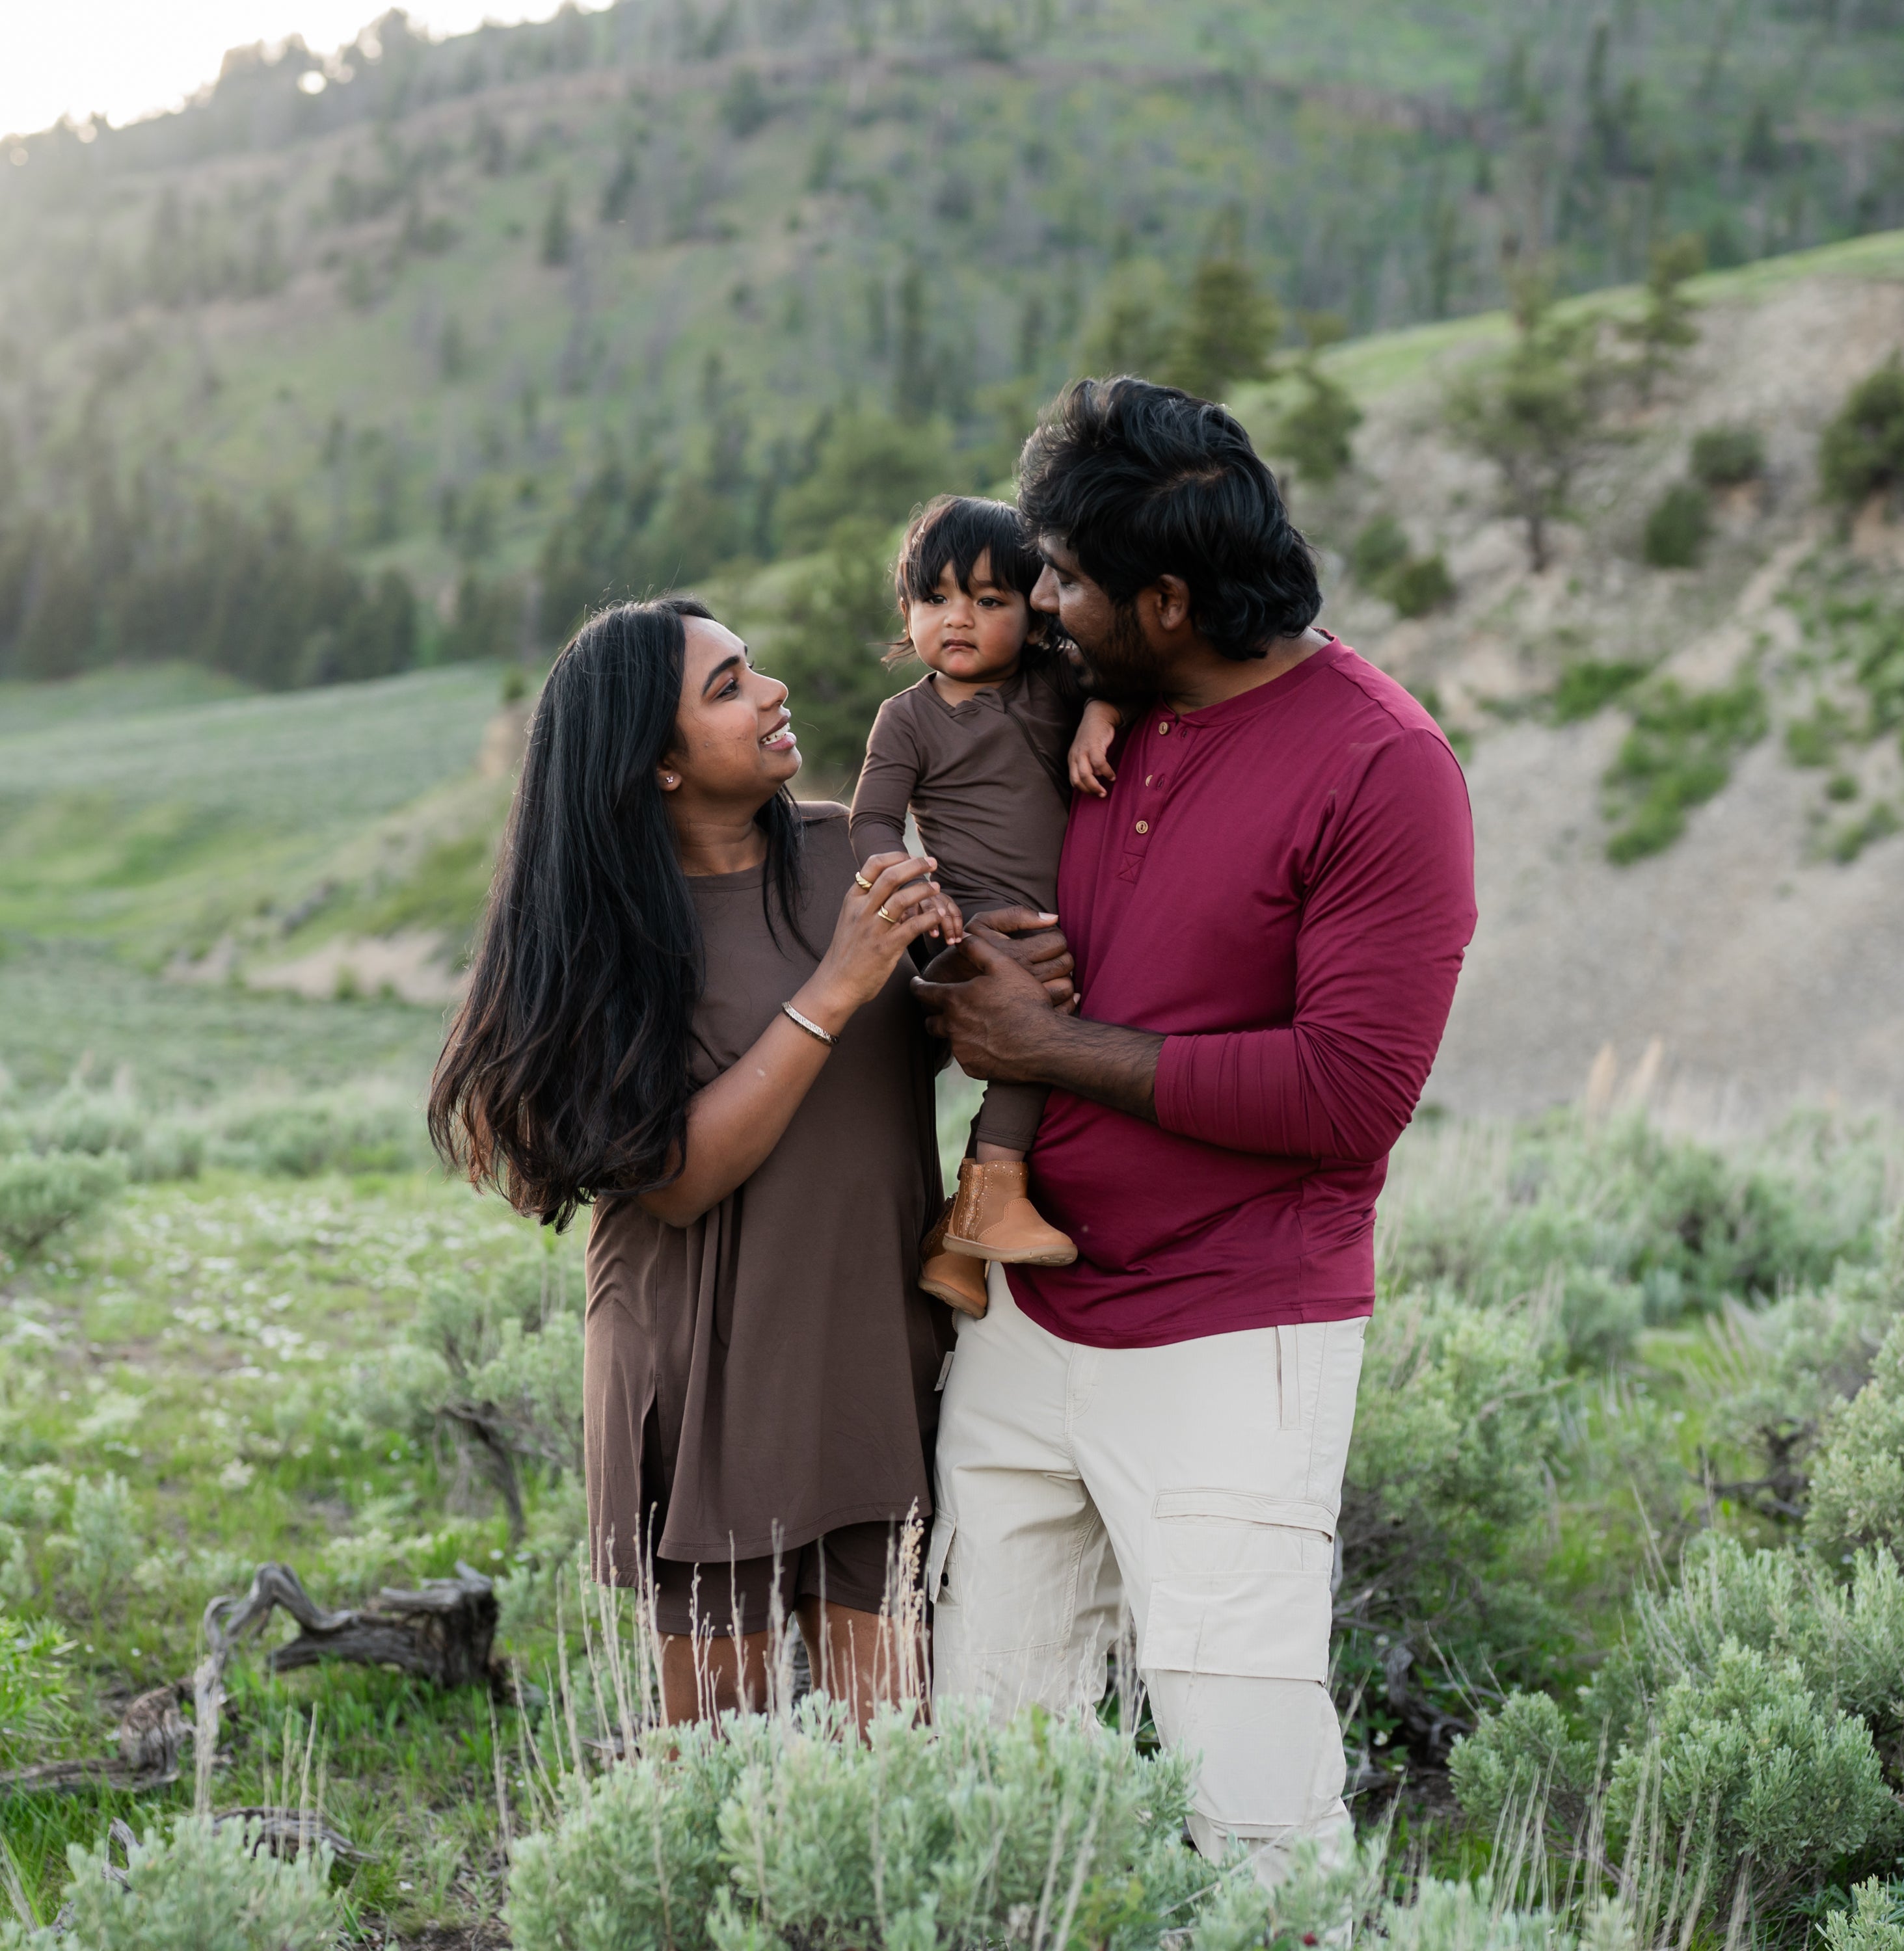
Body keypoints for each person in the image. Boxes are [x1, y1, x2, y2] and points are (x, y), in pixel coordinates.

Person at [913, 379, 1477, 1872]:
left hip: (1231, 1343)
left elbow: (1349, 1091)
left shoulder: (1380, 767)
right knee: (985, 1778)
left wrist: (1054, 1048)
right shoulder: (1086, 700)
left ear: (1164, 601)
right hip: (1026, 1324)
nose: (1041, 601)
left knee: (1253, 1809)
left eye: (1069, 581)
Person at [427, 598, 1039, 1729]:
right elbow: (672, 1175)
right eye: (729, 687)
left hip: (868, 1329)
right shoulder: (606, 934)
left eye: (753, 668)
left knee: (888, 1742)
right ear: (657, 763)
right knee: (715, 1751)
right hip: (707, 1356)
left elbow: (921, 1060)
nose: (774, 693)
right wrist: (841, 983)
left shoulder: (844, 855)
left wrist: (996, 983)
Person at [850, 495, 1122, 1317]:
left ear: (1037, 615)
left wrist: (1098, 717)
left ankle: (952, 1245)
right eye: (935, 600)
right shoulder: (906, 721)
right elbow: (868, 821)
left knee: (1063, 1032)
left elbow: (1123, 681)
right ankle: (992, 1193)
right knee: (1034, 1024)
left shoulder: (1054, 682)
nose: (957, 619)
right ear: (908, 611)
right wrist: (912, 889)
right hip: (967, 921)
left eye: (988, 600)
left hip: (1062, 915)